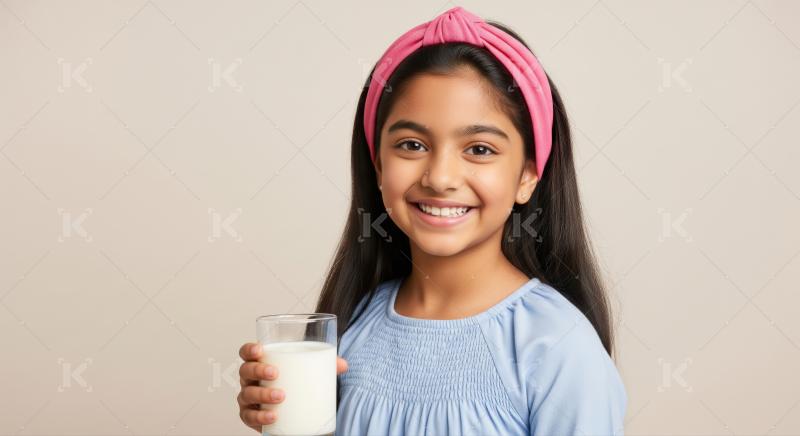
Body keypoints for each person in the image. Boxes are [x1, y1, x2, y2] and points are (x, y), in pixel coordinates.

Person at [237, 5, 627, 435]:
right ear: (378, 165)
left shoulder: (558, 347)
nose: (440, 178)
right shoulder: (353, 323)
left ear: (528, 176)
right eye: (411, 144)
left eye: (479, 149)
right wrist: (283, 417)